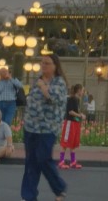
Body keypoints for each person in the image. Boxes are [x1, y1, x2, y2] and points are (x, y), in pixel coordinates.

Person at [21, 54, 68, 201]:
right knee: (31, 162)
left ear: (55, 66)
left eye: (47, 63)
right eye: (42, 63)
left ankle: (59, 188)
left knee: (43, 159)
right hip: (31, 127)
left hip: (47, 128)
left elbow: (52, 98)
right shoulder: (37, 80)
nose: (43, 66)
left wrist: (42, 87)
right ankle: (28, 196)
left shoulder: (59, 83)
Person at [58, 84, 86, 169]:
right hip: (70, 123)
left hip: (75, 123)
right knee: (65, 143)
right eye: (82, 90)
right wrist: (80, 115)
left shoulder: (77, 100)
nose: (83, 92)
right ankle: (61, 162)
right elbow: (70, 112)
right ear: (78, 90)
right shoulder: (72, 99)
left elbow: (74, 111)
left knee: (74, 142)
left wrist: (80, 114)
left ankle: (73, 162)